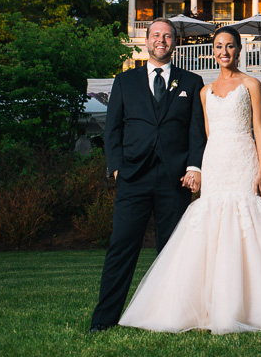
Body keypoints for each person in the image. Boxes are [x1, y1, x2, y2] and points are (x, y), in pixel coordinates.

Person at [119, 26, 261, 334]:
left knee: (246, 224)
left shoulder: (251, 84)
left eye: (230, 46)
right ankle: (208, 306)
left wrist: (260, 169)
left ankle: (258, 306)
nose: (224, 52)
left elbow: (259, 128)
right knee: (211, 226)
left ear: (239, 50)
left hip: (243, 159)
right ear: (213, 50)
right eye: (218, 46)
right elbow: (205, 135)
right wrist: (200, 170)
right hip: (215, 161)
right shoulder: (204, 91)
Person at [90, 18, 207, 333]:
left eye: (167, 36)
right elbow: (112, 130)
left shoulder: (191, 82)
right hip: (133, 178)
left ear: (175, 43)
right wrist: (115, 167)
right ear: (146, 41)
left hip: (175, 180)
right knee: (121, 246)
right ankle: (103, 320)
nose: (162, 40)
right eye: (156, 35)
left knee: (174, 251)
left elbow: (196, 132)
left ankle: (175, 318)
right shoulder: (124, 81)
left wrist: (194, 168)